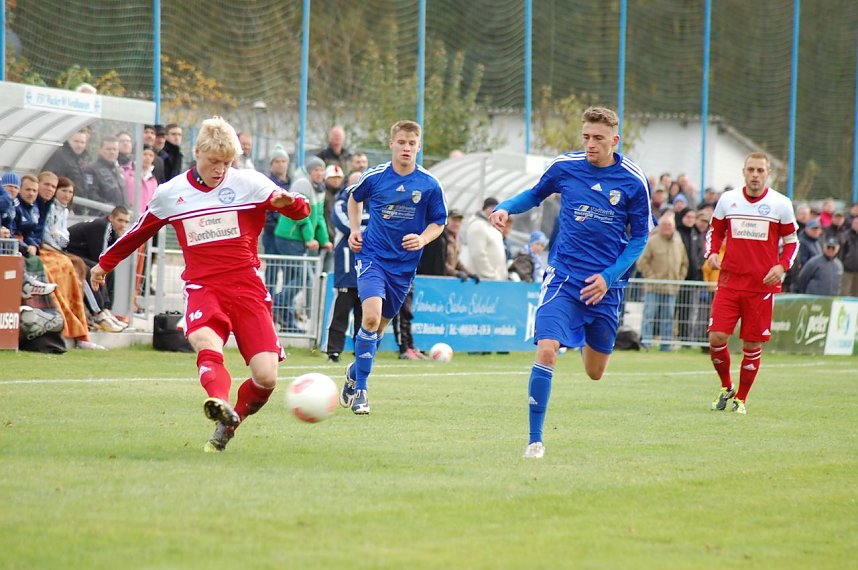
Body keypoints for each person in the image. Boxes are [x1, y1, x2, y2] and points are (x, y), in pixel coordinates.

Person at [90, 116, 310, 453]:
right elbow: (139, 230)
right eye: (213, 161)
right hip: (203, 286)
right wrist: (104, 264)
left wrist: (290, 203)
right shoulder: (171, 193)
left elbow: (301, 210)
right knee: (206, 341)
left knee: (266, 377)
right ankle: (218, 400)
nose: (220, 169)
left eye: (226, 162)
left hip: (248, 286)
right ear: (197, 153)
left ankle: (229, 422)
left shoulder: (250, 182)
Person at [489, 106, 652, 459]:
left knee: (595, 372)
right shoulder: (565, 167)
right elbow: (534, 194)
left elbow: (639, 239)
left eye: (598, 139)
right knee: (546, 348)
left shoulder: (633, 181)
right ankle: (535, 440)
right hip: (564, 277)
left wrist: (609, 277)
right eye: (586, 137)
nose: (591, 144)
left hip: (605, 288)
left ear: (615, 140)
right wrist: (505, 207)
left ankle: (578, 337)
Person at [339, 119, 447, 415]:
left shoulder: (429, 184)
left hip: (403, 268)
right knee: (370, 319)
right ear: (391, 144)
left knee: (377, 331)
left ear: (419, 147)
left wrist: (423, 238)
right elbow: (353, 197)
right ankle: (361, 391)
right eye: (401, 142)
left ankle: (354, 372)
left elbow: (439, 222)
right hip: (372, 257)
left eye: (412, 143)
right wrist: (354, 229)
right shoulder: (374, 177)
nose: (406, 148)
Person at [705, 152, 798, 416]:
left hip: (760, 288)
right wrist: (712, 253)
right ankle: (726, 387)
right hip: (729, 283)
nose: (755, 175)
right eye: (751, 170)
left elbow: (792, 242)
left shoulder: (781, 204)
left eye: (760, 170)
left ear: (768, 173)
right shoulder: (728, 200)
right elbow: (715, 231)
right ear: (743, 172)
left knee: (752, 345)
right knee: (716, 337)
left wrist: (781, 266)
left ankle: (741, 399)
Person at [272, 156, 332, 330]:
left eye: (322, 170)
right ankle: (277, 302)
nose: (319, 173)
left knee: (294, 278)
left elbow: (319, 217)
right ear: (309, 171)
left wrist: (324, 240)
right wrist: (309, 239)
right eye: (316, 170)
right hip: (288, 237)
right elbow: (300, 215)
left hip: (299, 240)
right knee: (304, 278)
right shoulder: (302, 184)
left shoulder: (320, 189)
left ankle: (286, 319)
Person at [325, 172, 367, 363]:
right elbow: (347, 225)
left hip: (367, 269)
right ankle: (333, 350)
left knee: (364, 314)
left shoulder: (373, 203)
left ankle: (362, 352)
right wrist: (365, 227)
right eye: (354, 182)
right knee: (341, 311)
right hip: (347, 269)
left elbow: (380, 223)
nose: (359, 185)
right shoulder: (341, 204)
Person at [637, 211, 688, 350]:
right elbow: (642, 262)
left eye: (670, 225)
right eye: (664, 224)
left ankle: (666, 345)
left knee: (668, 318)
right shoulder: (652, 241)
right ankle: (646, 343)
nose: (667, 227)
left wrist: (679, 279)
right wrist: (651, 277)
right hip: (653, 287)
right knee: (649, 315)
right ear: (659, 226)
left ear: (674, 226)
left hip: (671, 288)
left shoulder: (678, 242)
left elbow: (684, 263)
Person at [67, 205, 132, 315]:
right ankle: (99, 312)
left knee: (109, 269)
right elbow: (100, 258)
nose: (123, 225)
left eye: (126, 222)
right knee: (98, 269)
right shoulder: (105, 226)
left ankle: (107, 310)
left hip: (78, 254)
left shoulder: (112, 231)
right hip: (66, 252)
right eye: (120, 220)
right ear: (111, 218)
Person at [467, 197, 508, 281]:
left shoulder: (492, 227)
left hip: (495, 280)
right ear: (484, 208)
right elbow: (478, 253)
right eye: (491, 207)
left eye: (496, 208)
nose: (494, 210)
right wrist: (490, 275)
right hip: (482, 280)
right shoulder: (477, 225)